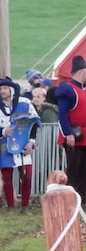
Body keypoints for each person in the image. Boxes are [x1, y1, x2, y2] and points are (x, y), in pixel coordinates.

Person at [55, 55, 86, 208]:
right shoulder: (68, 89)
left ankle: (83, 199)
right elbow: (62, 113)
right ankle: (71, 200)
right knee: (74, 168)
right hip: (75, 133)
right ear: (82, 72)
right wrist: (68, 133)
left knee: (85, 168)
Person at [0, 76, 40, 213]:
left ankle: (25, 206)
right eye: (0, 89)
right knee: (7, 177)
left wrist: (31, 141)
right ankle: (10, 206)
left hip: (23, 143)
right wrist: (3, 131)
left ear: (11, 89)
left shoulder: (25, 103)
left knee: (27, 176)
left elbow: (34, 124)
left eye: (5, 88)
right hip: (4, 144)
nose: (2, 91)